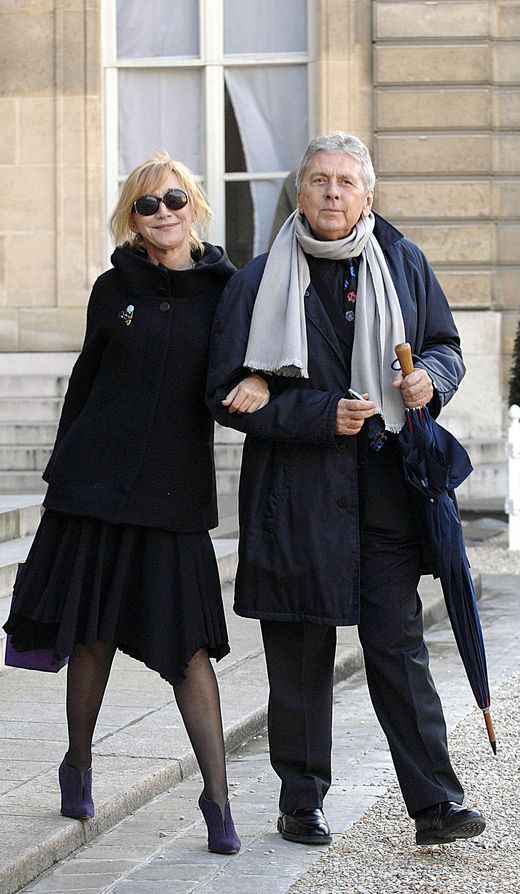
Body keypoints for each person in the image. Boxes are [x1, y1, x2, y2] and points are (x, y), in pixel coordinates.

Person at [206, 132, 486, 848]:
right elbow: (225, 394)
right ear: (300, 193)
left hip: (388, 493)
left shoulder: (403, 261)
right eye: (320, 181)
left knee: (398, 648)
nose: (333, 193)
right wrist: (317, 413)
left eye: (346, 182)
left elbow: (445, 347)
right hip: (296, 498)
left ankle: (436, 804)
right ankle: (301, 803)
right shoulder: (257, 280)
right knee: (300, 654)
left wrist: (431, 379)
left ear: (368, 195)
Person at [3, 151, 269, 855]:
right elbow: (84, 386)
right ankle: (78, 763)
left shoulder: (227, 289)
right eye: (147, 204)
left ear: (194, 205)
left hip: (172, 497)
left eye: (174, 199)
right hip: (93, 489)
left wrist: (264, 383)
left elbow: (253, 366)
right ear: (132, 217)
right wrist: (59, 485)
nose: (163, 212)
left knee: (188, 651)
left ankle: (218, 801)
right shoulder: (111, 288)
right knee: (90, 637)